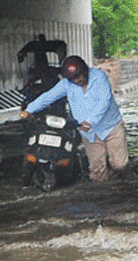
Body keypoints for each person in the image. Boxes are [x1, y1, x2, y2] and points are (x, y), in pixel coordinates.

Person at [20, 55, 129, 183]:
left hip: (111, 127)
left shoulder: (99, 77)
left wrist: (90, 121)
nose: (76, 80)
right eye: (72, 79)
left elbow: (104, 102)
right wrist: (29, 109)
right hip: (89, 133)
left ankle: (120, 181)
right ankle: (104, 194)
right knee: (97, 171)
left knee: (119, 164)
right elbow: (49, 96)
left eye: (79, 76)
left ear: (85, 71)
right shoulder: (67, 84)